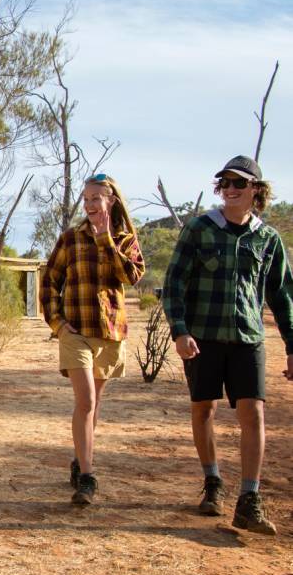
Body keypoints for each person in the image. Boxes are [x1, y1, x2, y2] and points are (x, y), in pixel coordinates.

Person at [162, 156, 293, 535]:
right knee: (204, 408)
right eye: (225, 183)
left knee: (254, 412)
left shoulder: (267, 239)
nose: (231, 189)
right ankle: (213, 482)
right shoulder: (200, 229)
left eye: (239, 183)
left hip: (248, 338)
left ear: (256, 190)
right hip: (202, 337)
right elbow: (174, 283)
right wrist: (180, 330)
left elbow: (282, 295)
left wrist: (291, 344)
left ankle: (249, 499)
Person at [40, 173, 145, 505]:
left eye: (95, 198)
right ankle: (87, 477)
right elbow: (49, 281)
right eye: (85, 199)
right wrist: (57, 323)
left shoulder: (126, 240)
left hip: (109, 332)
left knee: (94, 404)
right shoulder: (70, 239)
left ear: (110, 201)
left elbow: (130, 276)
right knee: (85, 401)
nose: (89, 205)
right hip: (76, 331)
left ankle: (79, 456)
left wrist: (106, 240)